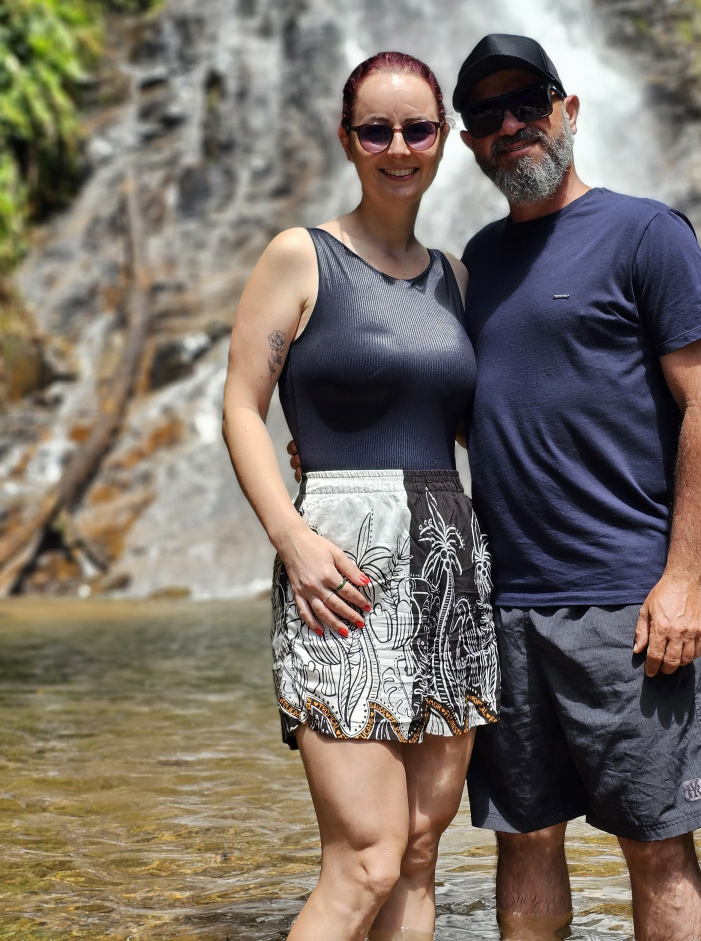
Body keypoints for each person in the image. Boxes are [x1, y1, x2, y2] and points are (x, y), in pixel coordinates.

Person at [453, 34, 701, 941]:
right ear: (468, 145)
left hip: (629, 603)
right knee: (524, 838)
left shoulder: (647, 232)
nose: (511, 127)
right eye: (487, 116)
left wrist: (683, 575)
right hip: (507, 606)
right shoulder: (478, 261)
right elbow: (480, 414)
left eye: (528, 103)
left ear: (568, 111)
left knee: (658, 845)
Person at [222, 51, 499, 941]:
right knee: (366, 858)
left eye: (417, 128)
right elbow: (239, 405)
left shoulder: (455, 280)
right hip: (340, 567)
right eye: (375, 130)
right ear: (347, 140)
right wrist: (291, 538)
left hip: (447, 567)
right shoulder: (299, 256)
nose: (398, 147)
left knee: (420, 850)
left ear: (444, 139)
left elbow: (470, 427)